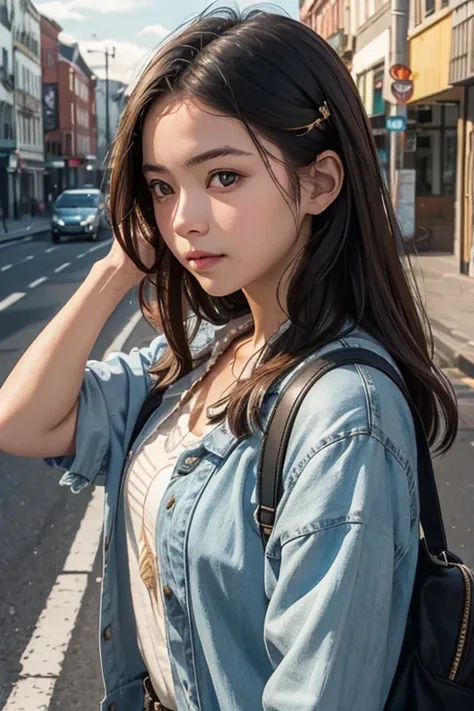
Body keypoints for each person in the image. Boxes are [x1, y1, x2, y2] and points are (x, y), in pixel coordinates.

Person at [0, 7, 458, 711]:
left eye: (222, 177)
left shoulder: (343, 418)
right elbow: (21, 421)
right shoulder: (204, 353)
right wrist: (114, 270)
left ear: (320, 182)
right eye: (161, 186)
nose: (182, 218)